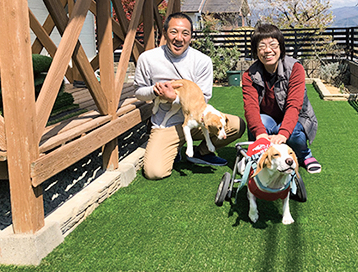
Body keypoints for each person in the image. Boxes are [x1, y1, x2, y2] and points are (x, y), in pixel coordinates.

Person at [134, 12, 245, 179]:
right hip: (167, 125)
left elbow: (204, 98)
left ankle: (201, 153)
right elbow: (139, 92)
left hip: (196, 122)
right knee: (154, 172)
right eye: (173, 32)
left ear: (191, 36)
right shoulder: (148, 58)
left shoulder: (202, 60)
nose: (179, 38)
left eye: (185, 33)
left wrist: (175, 98)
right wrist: (155, 91)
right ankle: (175, 148)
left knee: (237, 125)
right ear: (164, 33)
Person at [242, 23, 322, 174]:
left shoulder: (295, 69)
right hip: (268, 120)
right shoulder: (249, 75)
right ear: (255, 50)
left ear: (281, 47)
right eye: (262, 46)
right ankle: (261, 156)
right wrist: (260, 134)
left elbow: (294, 105)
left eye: (273, 44)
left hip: (298, 118)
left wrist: (283, 133)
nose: (267, 50)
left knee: (292, 134)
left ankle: (304, 154)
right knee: (260, 122)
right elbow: (250, 108)